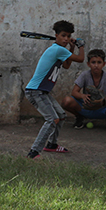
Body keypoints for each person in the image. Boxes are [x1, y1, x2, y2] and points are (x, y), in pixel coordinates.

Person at [23, 20, 85, 158]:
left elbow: (67, 65)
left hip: (42, 92)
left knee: (61, 116)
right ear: (56, 35)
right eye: (63, 35)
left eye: (68, 36)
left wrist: (72, 48)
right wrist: (81, 46)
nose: (66, 39)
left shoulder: (60, 50)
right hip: (35, 91)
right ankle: (33, 152)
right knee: (52, 119)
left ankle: (52, 144)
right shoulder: (57, 49)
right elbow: (81, 59)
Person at [61, 49, 106, 132]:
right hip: (86, 107)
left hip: (103, 109)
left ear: (104, 64)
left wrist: (104, 100)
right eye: (93, 62)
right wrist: (82, 96)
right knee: (66, 101)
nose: (96, 65)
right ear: (88, 64)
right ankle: (79, 117)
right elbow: (74, 92)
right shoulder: (85, 75)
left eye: (99, 62)